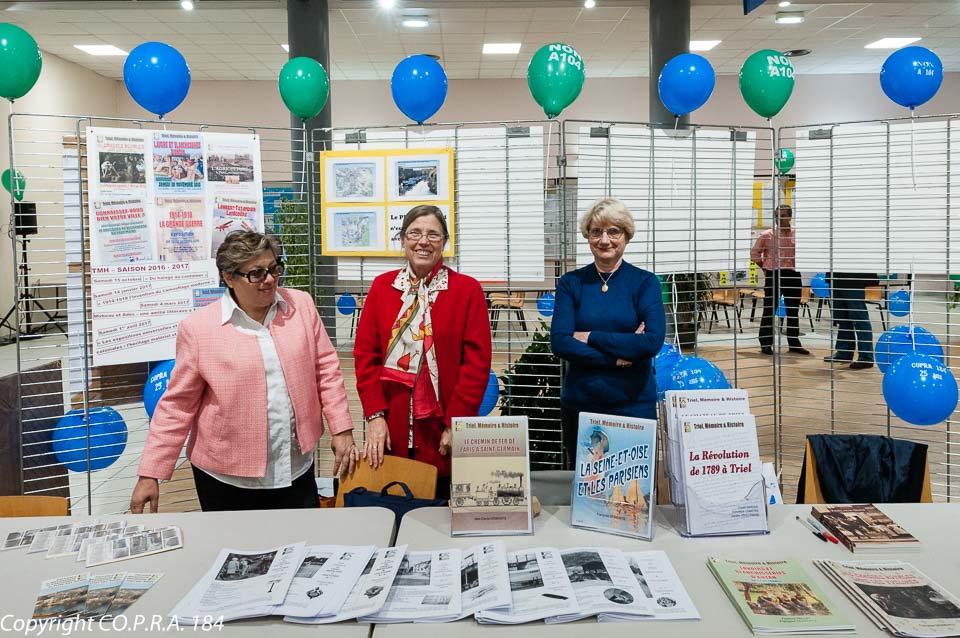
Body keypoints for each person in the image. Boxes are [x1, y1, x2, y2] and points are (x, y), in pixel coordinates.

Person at [130, 230, 358, 513]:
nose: (270, 279)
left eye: (274, 268)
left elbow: (326, 370)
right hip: (226, 479)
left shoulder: (301, 306)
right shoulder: (199, 329)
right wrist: (150, 473)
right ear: (229, 277)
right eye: (256, 273)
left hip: (295, 468)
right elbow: (177, 405)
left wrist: (341, 429)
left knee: (301, 539)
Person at [353, 205, 492, 498]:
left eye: (433, 234)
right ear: (403, 240)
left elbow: (476, 365)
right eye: (415, 233)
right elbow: (366, 358)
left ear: (445, 242)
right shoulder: (382, 287)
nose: (423, 241)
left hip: (442, 429)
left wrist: (456, 423)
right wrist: (375, 416)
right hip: (392, 425)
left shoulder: (467, 290)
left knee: (440, 508)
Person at [551, 198, 666, 470]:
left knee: (633, 489)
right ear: (587, 236)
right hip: (582, 404)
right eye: (596, 232)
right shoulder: (571, 283)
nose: (604, 240)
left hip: (633, 404)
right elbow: (560, 342)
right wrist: (618, 357)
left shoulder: (645, 283)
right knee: (587, 485)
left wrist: (590, 336)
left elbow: (651, 341)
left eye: (613, 231)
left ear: (626, 236)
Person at [750, 204, 809, 356]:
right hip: (774, 275)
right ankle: (765, 344)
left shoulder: (798, 234)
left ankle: (794, 343)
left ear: (790, 216)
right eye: (776, 216)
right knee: (769, 310)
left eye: (782, 216)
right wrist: (764, 267)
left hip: (792, 276)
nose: (779, 219)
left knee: (793, 311)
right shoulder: (767, 235)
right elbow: (754, 253)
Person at [824, 272, 878, 369]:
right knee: (842, 318)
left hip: (854, 279)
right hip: (835, 278)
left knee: (860, 319)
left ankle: (866, 358)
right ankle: (844, 352)